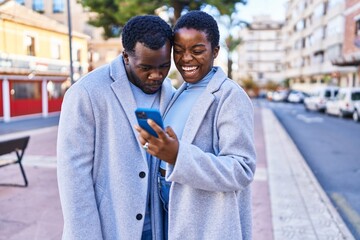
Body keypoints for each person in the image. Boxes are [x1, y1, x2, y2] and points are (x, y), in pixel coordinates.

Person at [135, 11, 256, 240]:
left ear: (216, 51)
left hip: (203, 212)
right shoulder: (177, 92)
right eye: (178, 51)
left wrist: (178, 155)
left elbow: (242, 168)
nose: (186, 59)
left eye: (197, 51)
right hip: (167, 197)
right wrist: (154, 142)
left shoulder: (230, 96)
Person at [57, 15, 174, 240]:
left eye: (164, 66)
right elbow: (74, 176)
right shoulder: (86, 93)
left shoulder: (172, 93)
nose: (156, 75)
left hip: (158, 229)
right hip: (109, 228)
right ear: (126, 57)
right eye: (146, 67)